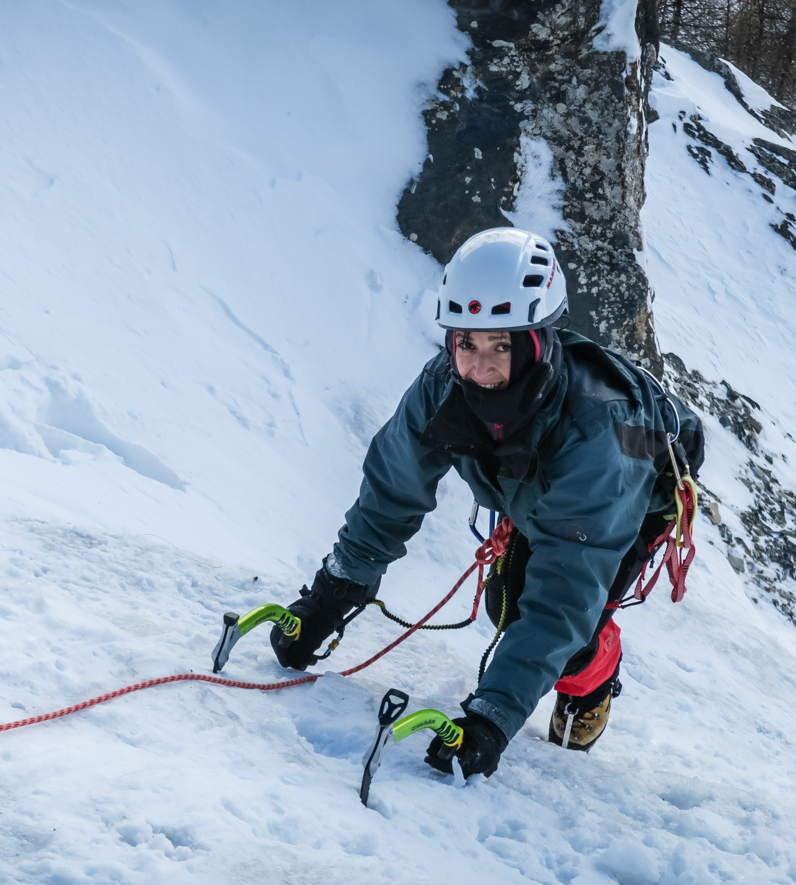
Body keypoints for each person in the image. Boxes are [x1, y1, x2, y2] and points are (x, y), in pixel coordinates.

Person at [271, 227, 703, 777]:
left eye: (502, 345)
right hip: (540, 484)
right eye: (467, 343)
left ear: (538, 341)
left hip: (632, 495)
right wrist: (333, 594)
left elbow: (565, 591)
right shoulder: (443, 387)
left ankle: (595, 671)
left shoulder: (600, 431)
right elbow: (391, 488)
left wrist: (493, 716)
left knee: (561, 629)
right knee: (509, 599)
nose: (479, 367)